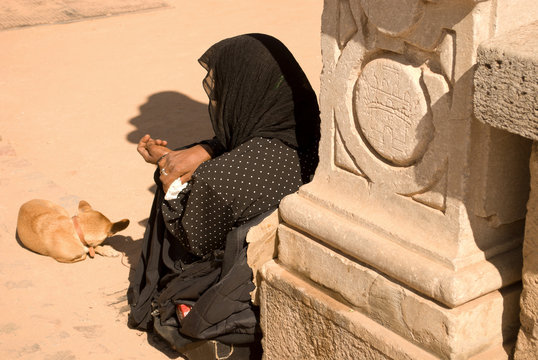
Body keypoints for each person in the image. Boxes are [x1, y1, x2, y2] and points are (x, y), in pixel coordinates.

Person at [128, 33, 320, 359]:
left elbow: (193, 237)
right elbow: (242, 143)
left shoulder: (219, 180)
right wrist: (205, 149)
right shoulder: (315, 130)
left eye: (220, 92)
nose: (216, 100)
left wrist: (167, 174)